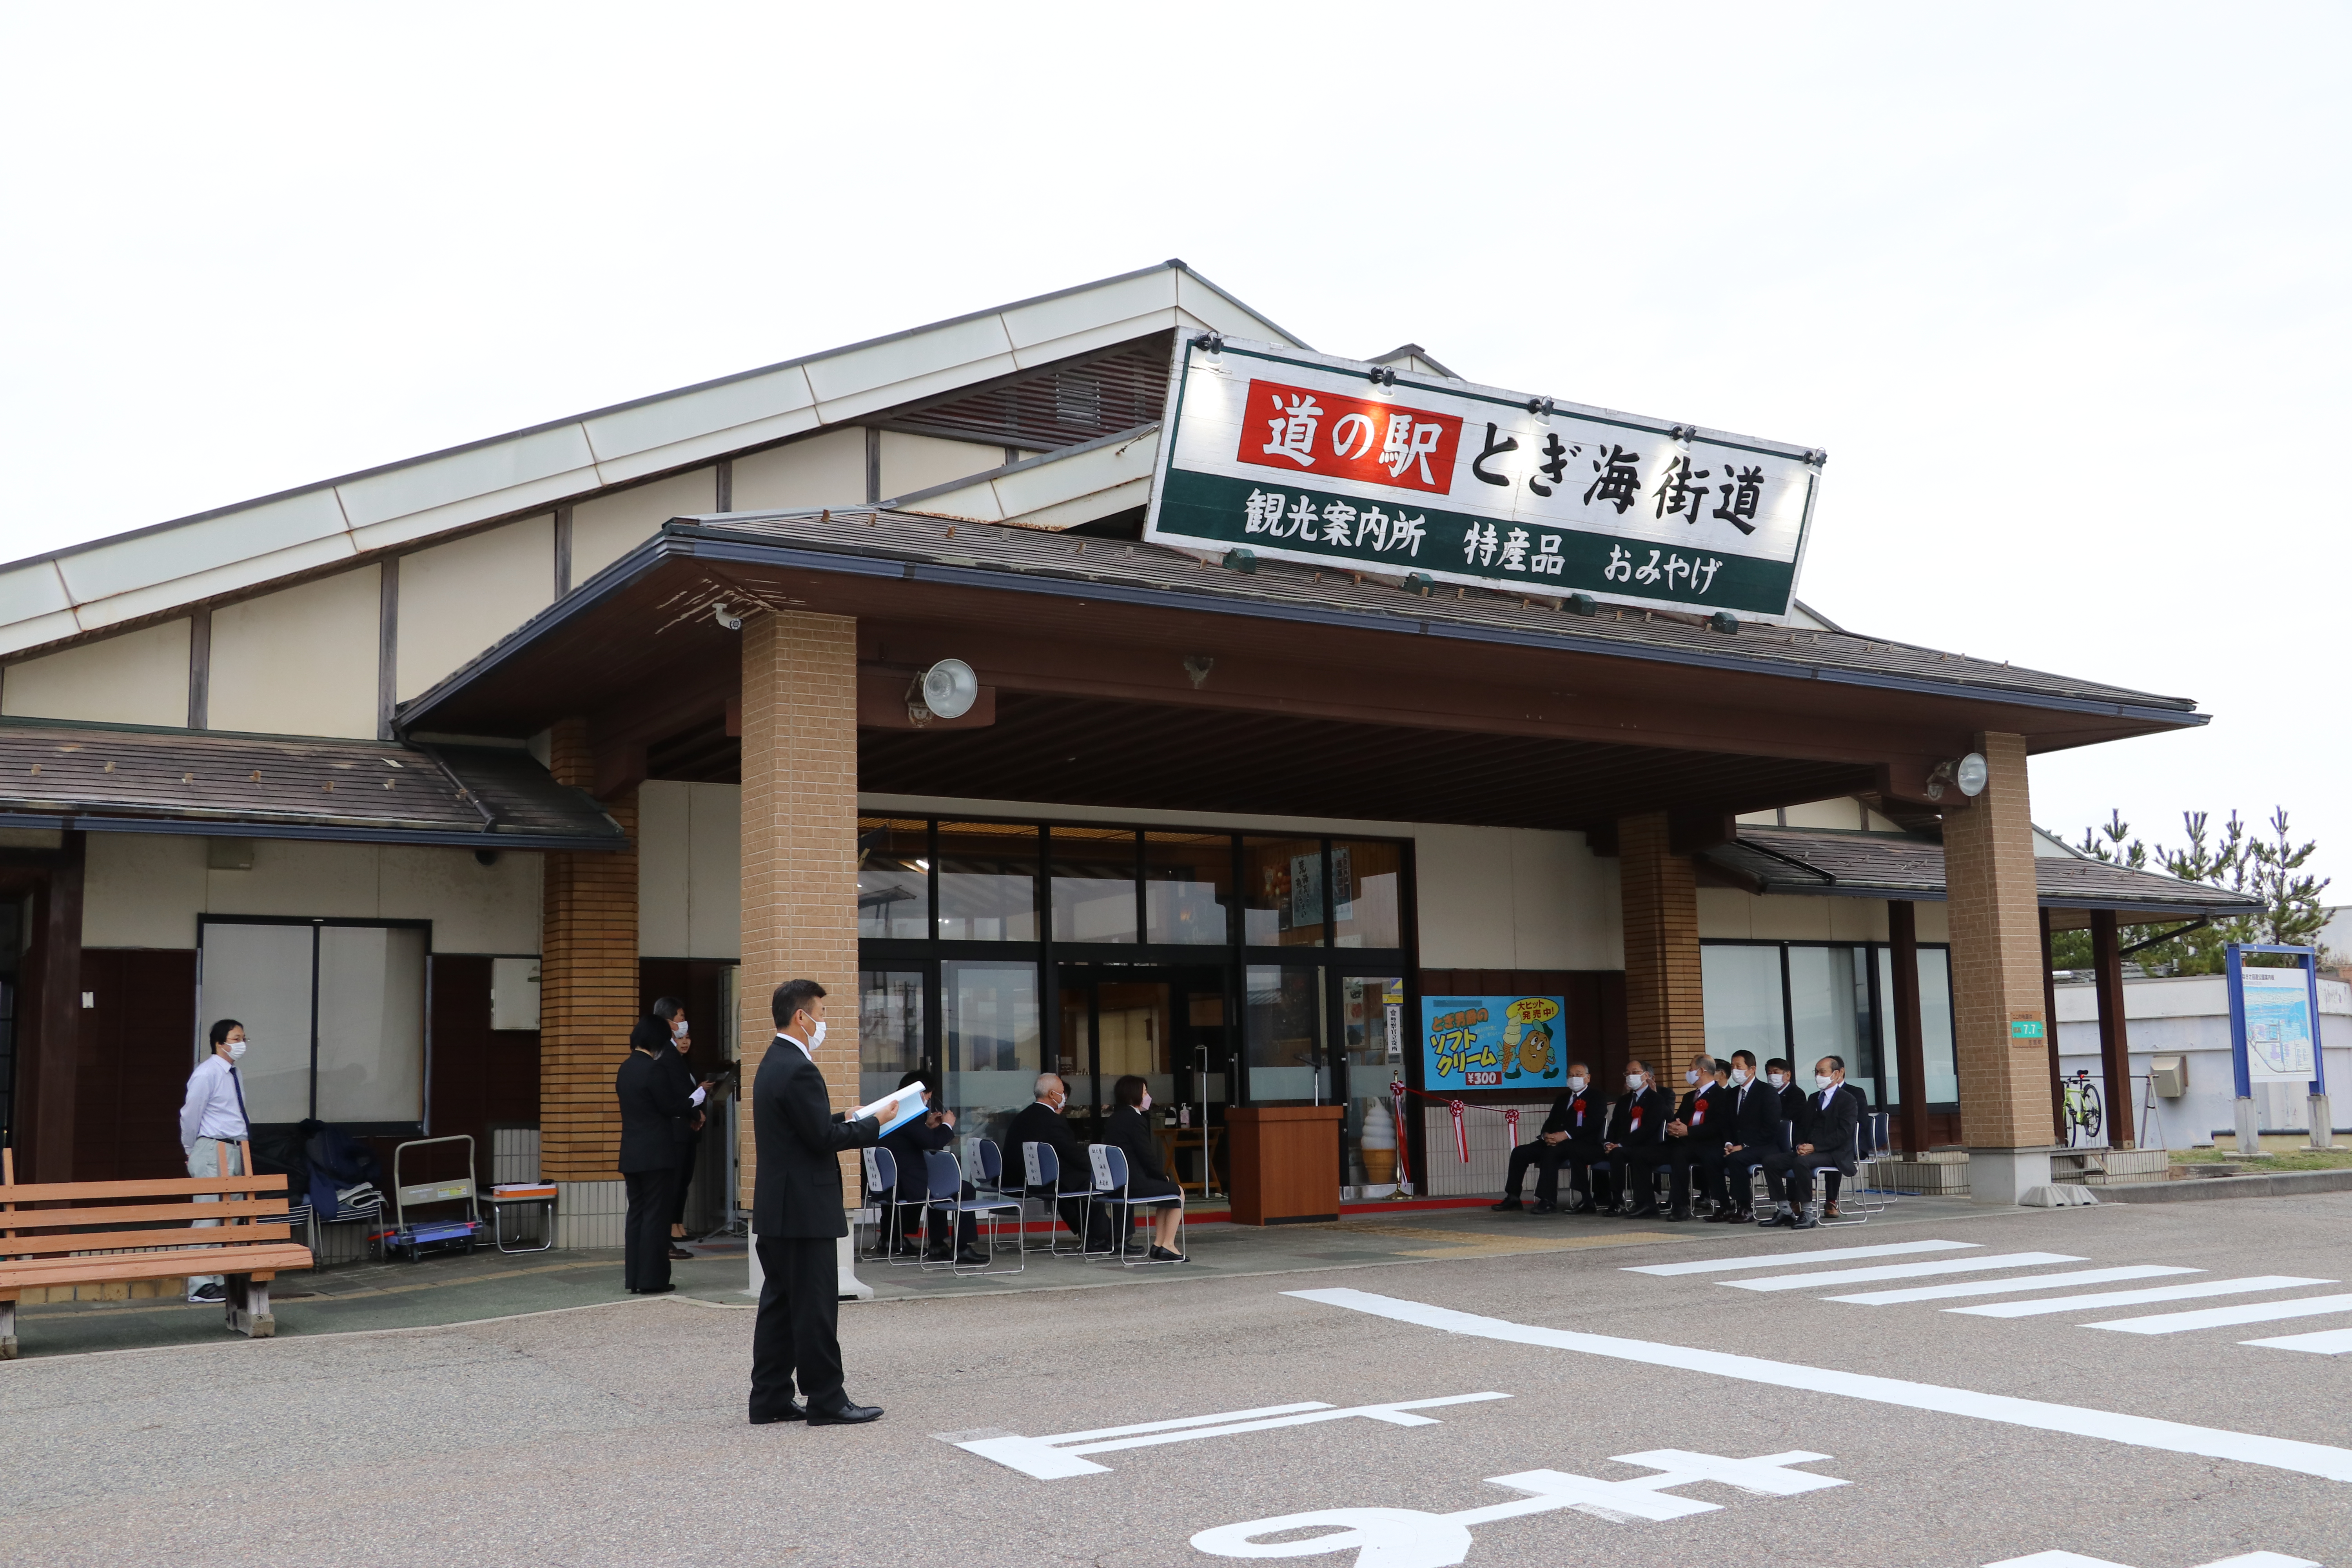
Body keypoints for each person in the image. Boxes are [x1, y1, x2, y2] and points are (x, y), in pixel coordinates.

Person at [750, 978, 887, 1426]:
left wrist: (841, 1117)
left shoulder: (772, 1062)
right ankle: (827, 1399)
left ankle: (769, 1397)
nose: (824, 1023)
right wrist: (873, 1125)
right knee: (814, 1307)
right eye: (821, 1014)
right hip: (805, 1210)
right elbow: (821, 1140)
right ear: (801, 1017)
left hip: (778, 1208)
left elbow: (802, 1128)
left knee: (780, 1305)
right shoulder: (800, 1068)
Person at [617, 1015, 709, 1294]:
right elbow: (670, 1107)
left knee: (637, 1216)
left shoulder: (625, 1069)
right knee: (656, 1218)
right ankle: (653, 1279)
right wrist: (698, 1097)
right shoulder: (653, 1069)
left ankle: (633, 1278)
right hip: (656, 1153)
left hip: (631, 1153)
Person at [177, 1019, 252, 1305]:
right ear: (220, 1043)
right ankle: (198, 1284)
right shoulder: (207, 1073)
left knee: (227, 1216)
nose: (242, 1043)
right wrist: (190, 1148)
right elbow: (190, 1113)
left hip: (234, 1148)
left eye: (244, 1038)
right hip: (212, 1147)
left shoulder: (235, 1073)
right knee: (209, 1214)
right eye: (236, 1038)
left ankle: (218, 1276)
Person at [877, 1069, 984, 1265]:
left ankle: (900, 1240)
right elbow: (933, 1144)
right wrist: (948, 1126)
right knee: (964, 1189)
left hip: (891, 1183)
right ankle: (962, 1247)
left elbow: (913, 1139)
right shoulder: (908, 1115)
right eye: (928, 1094)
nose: (928, 1099)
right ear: (919, 1093)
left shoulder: (893, 1112)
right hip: (908, 1182)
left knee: (939, 1187)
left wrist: (927, 1127)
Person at [1758, 1055, 1861, 1230]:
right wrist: (1799, 1145)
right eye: (1816, 1072)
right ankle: (1784, 1209)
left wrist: (1816, 1148)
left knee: (1802, 1162)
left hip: (1834, 1153)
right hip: (1809, 1150)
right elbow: (1802, 1127)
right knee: (1770, 1161)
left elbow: (1844, 1133)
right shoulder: (1813, 1098)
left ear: (1836, 1074)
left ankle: (1807, 1213)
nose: (1818, 1076)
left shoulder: (1848, 1100)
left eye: (1823, 1072)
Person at [1492, 1065, 1602, 1215]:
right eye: (1570, 1075)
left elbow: (1594, 1123)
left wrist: (1565, 1135)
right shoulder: (1562, 1099)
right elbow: (1550, 1122)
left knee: (1551, 1154)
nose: (1574, 1078)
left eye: (1578, 1075)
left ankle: (1548, 1200)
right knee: (1520, 1152)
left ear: (1588, 1077)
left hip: (1578, 1143)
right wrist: (1546, 1135)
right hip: (1554, 1140)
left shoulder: (1596, 1097)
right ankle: (1513, 1197)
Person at [1626, 1052, 1722, 1221]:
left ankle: (1680, 1206)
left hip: (1706, 1145)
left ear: (1701, 1071)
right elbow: (1678, 1119)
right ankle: (1646, 1203)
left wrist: (1689, 1132)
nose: (1689, 1072)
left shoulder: (1722, 1096)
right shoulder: (1689, 1096)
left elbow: (1719, 1126)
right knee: (1641, 1153)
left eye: (1691, 1068)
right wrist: (1673, 1127)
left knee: (1679, 1155)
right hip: (1682, 1142)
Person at [1102, 1074, 1185, 1261]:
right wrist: (1162, 1176)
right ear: (1135, 1095)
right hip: (1133, 1182)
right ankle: (1167, 1244)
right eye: (1145, 1092)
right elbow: (1146, 1156)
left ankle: (1160, 1246)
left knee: (1167, 1194)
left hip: (1116, 1184)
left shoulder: (1114, 1119)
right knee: (1177, 1192)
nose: (1148, 1096)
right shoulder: (1135, 1119)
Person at [1009, 1072, 1100, 1244]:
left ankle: (1088, 1234)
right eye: (1062, 1091)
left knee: (1070, 1182)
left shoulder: (1023, 1117)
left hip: (1019, 1177)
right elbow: (1072, 1154)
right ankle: (1103, 1235)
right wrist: (1097, 1167)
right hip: (1041, 1181)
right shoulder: (1052, 1120)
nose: (1064, 1097)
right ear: (1052, 1095)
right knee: (1088, 1180)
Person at [1698, 1050, 1780, 1223]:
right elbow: (1726, 1124)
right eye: (1732, 1066)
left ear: (1752, 1069)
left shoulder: (1767, 1092)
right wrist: (1729, 1143)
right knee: (1711, 1156)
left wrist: (1744, 1146)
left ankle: (1745, 1207)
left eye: (1739, 1067)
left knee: (1737, 1159)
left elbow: (1770, 1128)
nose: (1735, 1070)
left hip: (1763, 1146)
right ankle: (1725, 1205)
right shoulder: (1732, 1094)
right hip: (1736, 1145)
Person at [651, 997, 702, 1257]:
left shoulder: (679, 1058)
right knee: (672, 1183)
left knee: (683, 1180)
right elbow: (678, 1094)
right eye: (681, 1018)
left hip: (686, 1128)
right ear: (668, 1022)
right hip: (674, 1129)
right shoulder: (664, 1054)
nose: (684, 1027)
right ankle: (669, 1231)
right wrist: (696, 1104)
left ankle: (677, 1226)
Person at [1601, 1060, 1673, 1216]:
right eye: (1627, 1073)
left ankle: (1645, 1203)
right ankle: (1617, 1201)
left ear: (1646, 1075)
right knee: (1615, 1154)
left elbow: (1649, 1129)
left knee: (1634, 1154)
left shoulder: (1656, 1099)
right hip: (1625, 1146)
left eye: (1635, 1072)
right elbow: (1615, 1125)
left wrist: (1621, 1144)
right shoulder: (1625, 1100)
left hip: (1648, 1145)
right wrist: (1610, 1142)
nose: (1630, 1077)